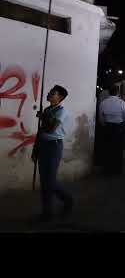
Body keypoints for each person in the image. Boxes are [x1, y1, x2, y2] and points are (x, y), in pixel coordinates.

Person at [32, 85, 73, 222]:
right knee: (45, 181)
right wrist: (35, 148)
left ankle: (66, 200)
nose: (49, 93)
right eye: (50, 91)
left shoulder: (61, 111)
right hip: (43, 146)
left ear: (59, 97)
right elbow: (41, 131)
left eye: (52, 93)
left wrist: (43, 116)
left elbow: (51, 129)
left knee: (49, 181)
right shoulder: (48, 110)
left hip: (54, 146)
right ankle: (47, 211)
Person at [98, 85, 125, 175]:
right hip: (119, 129)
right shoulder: (121, 103)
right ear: (117, 92)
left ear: (109, 92)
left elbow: (100, 117)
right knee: (118, 150)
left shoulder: (103, 103)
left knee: (107, 149)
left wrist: (105, 125)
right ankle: (117, 170)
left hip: (107, 128)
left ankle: (107, 170)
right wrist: (124, 127)